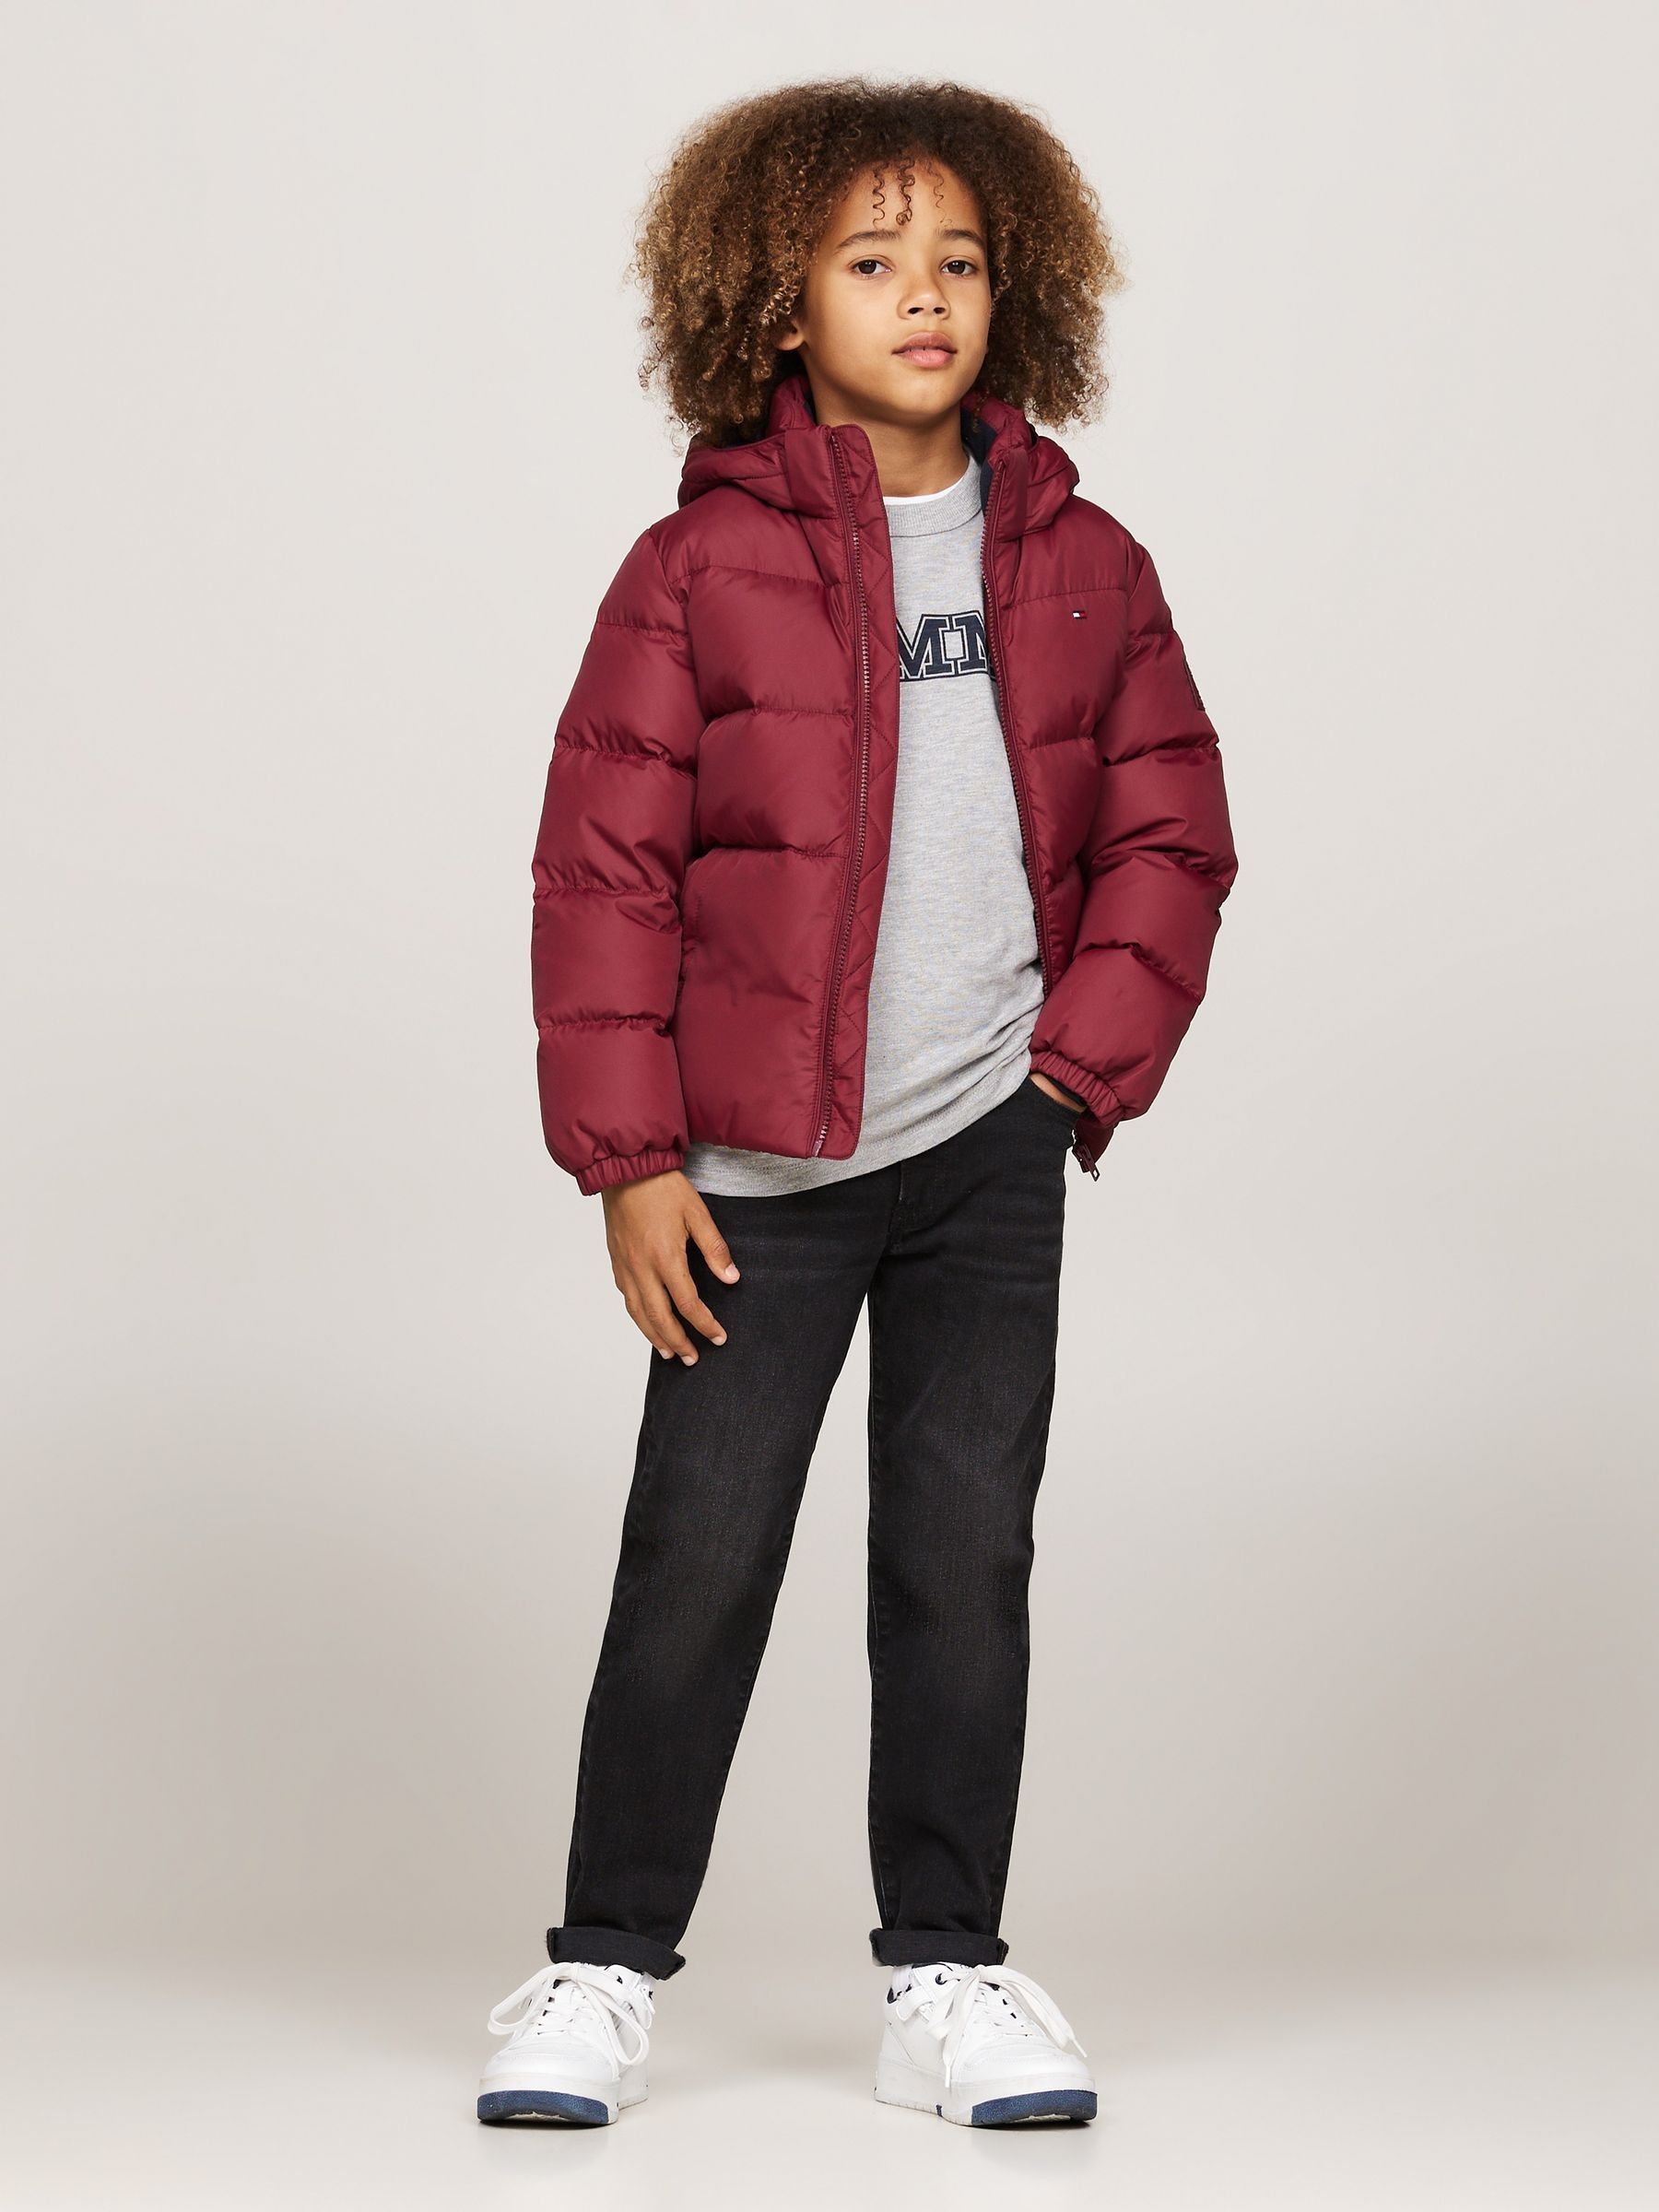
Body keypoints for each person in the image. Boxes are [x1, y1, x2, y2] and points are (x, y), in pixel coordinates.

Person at [478, 77, 1238, 2131]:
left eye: (961, 261)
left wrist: (1070, 1077)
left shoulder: (1085, 563)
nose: (926, 297)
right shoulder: (692, 570)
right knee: (700, 1559)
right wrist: (630, 1161)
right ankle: (599, 1965)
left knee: (961, 1561)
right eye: (874, 260)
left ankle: (949, 1974)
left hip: (990, 1148)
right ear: (773, 300)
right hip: (756, 1171)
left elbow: (1173, 829)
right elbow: (603, 876)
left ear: (1020, 289)